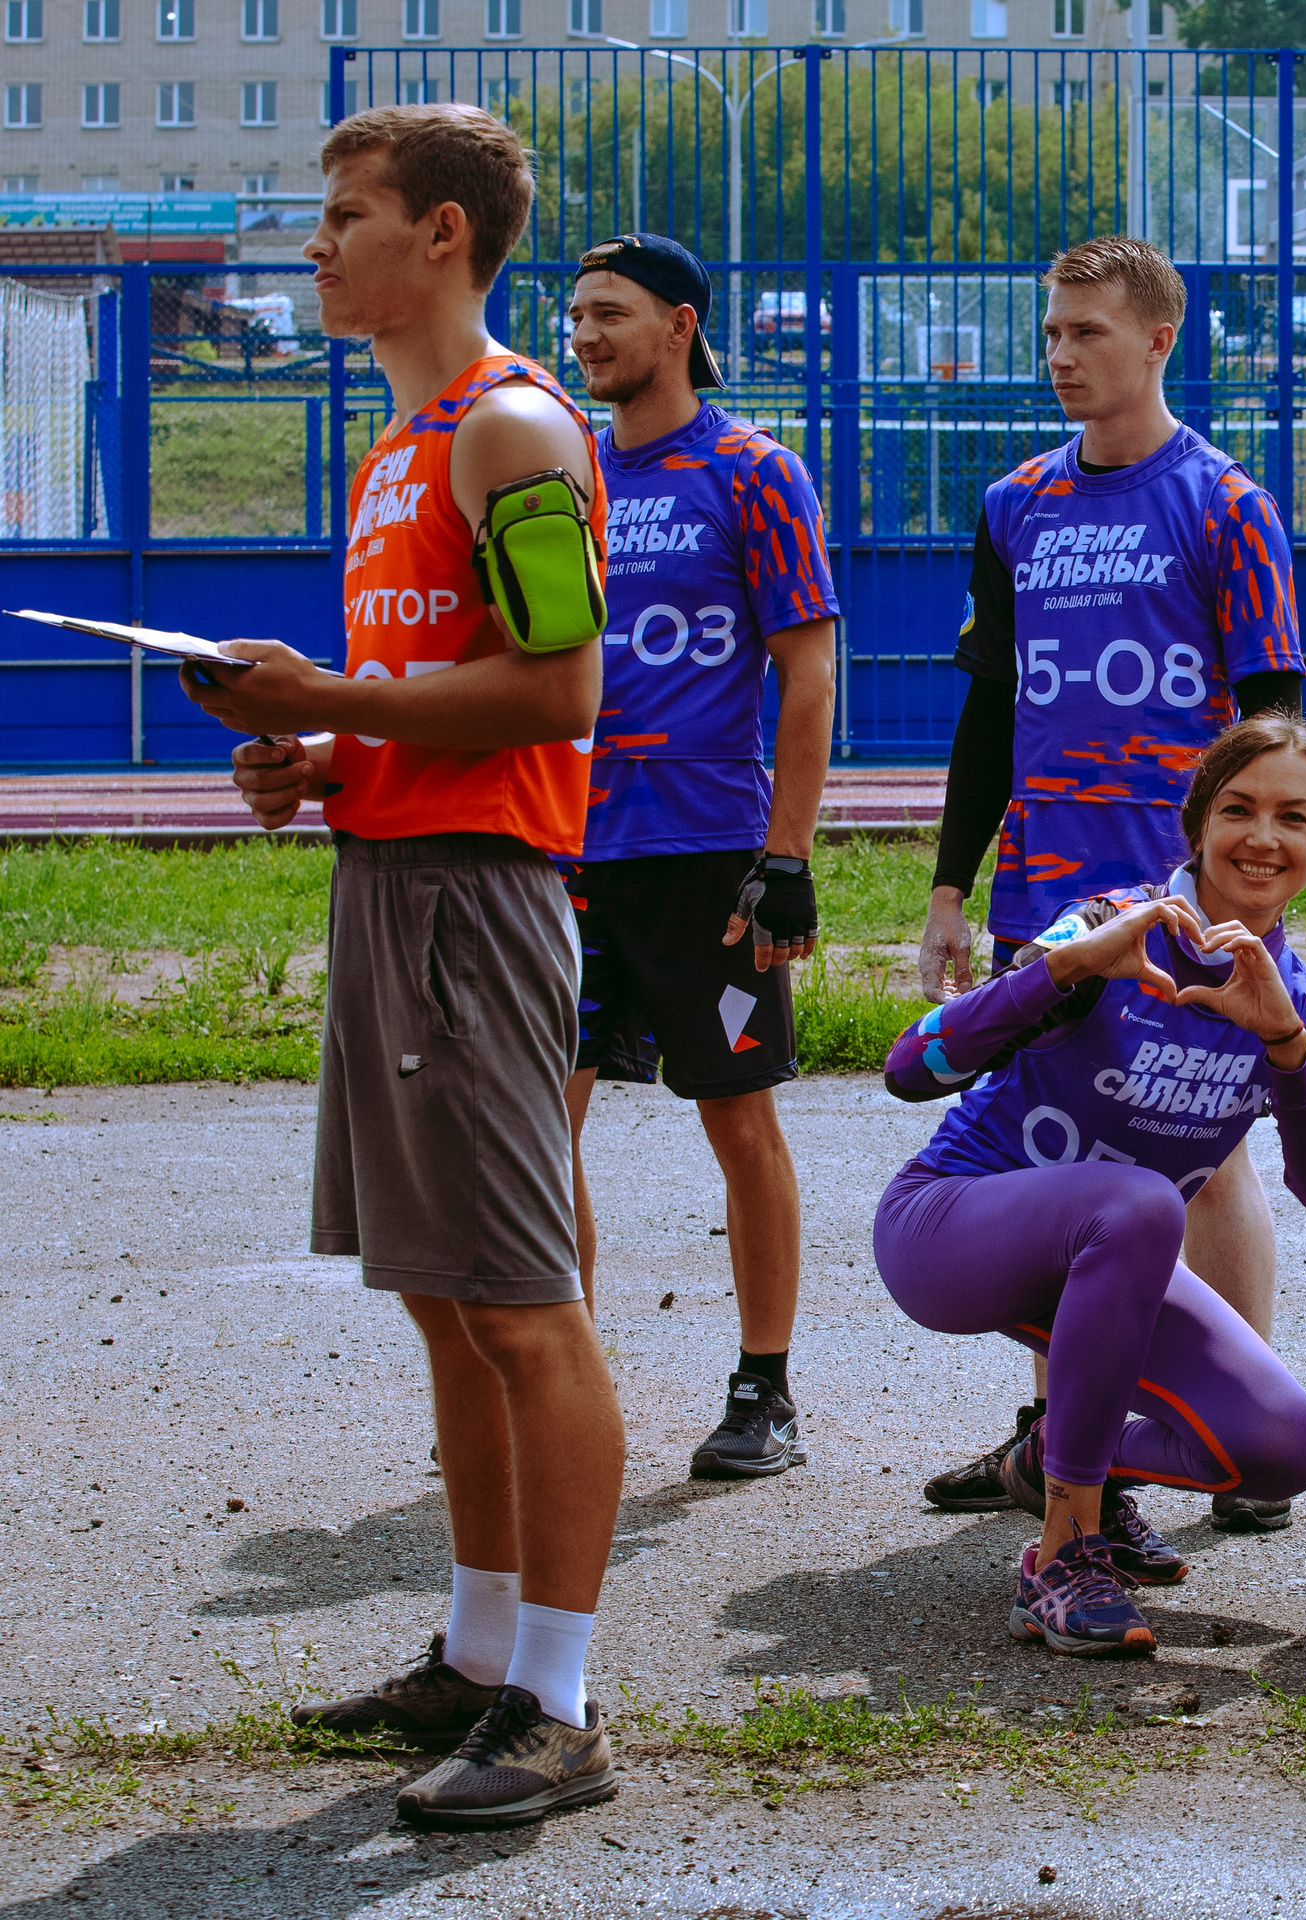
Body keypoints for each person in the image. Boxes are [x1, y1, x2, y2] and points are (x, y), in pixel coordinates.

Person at [178, 103, 626, 1826]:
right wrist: (318, 757)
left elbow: (563, 691)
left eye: (349, 215)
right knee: (446, 1297)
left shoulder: (511, 427)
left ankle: (561, 1709)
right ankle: (478, 1652)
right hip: (396, 880)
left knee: (520, 1305)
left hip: (476, 905)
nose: (319, 247)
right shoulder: (395, 451)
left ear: (443, 234)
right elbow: (439, 698)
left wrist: (333, 699)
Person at [917, 235, 1306, 1533]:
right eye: (1052, 331)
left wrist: (1253, 887)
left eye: (1087, 330)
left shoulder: (1224, 504)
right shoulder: (1015, 503)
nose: (1061, 354)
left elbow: (1271, 724)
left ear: (1156, 341)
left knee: (1209, 1159)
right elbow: (988, 711)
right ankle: (1066, 1444)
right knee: (1057, 1166)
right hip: (1047, 889)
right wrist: (951, 888)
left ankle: (1230, 1427)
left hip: (1178, 888)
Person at [875, 711, 1306, 1654]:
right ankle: (1064, 1554)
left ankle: (1049, 1455)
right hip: (948, 1229)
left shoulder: (1298, 997)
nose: (1263, 837)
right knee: (1138, 1203)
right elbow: (909, 1068)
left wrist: (1286, 1047)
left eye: (1294, 818)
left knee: (1280, 1451)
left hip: (1113, 1256)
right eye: (1239, 809)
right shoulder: (1107, 925)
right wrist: (1065, 968)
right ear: (1197, 826)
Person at [559, 232, 840, 1479]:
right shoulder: (562, 471)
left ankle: (764, 1390)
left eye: (610, 313)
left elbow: (807, 673)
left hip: (706, 854)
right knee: (540, 1125)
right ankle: (559, 1381)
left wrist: (787, 856)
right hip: (568, 850)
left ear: (680, 325)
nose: (585, 334)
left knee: (737, 1119)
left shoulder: (753, 471)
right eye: (576, 314)